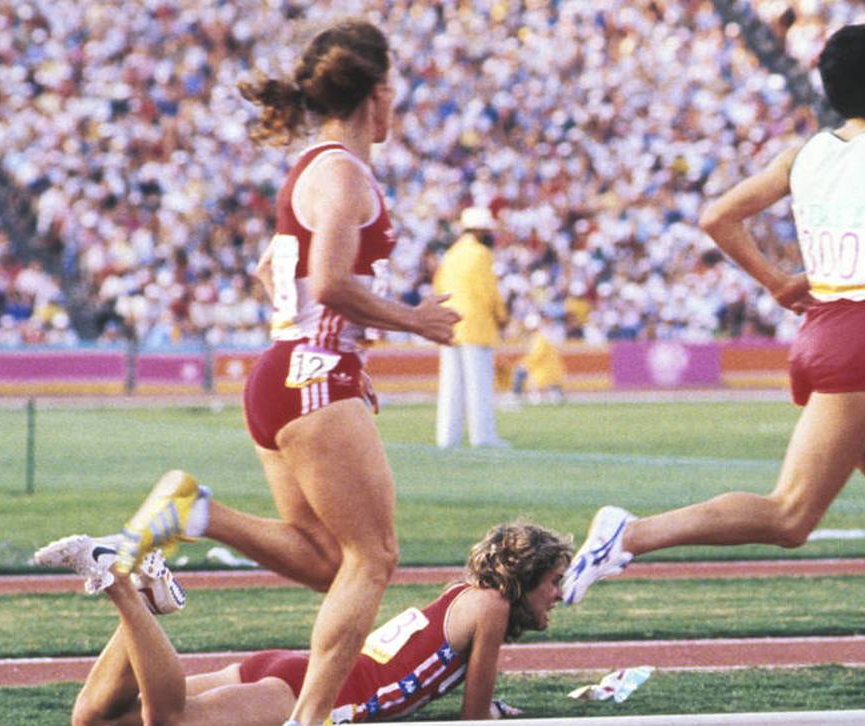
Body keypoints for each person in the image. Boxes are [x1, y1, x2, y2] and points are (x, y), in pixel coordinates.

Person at [560, 24, 865, 709]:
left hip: (826, 327)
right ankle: (630, 533)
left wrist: (777, 282)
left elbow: (718, 217)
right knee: (791, 516)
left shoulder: (807, 153)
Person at [111, 20, 460, 726]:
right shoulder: (340, 171)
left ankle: (196, 512)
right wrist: (412, 320)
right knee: (376, 559)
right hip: (314, 374)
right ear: (376, 93)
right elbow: (328, 281)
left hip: (286, 373)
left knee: (331, 561)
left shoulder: (311, 168)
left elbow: (275, 270)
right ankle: (311, 720)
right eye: (393, 88)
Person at [37, 522, 570, 725]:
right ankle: (127, 590)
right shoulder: (494, 607)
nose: (559, 595)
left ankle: (147, 599)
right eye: (553, 581)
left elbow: (428, 666)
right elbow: (471, 721)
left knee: (95, 720)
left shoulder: (466, 597)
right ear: (523, 577)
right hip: (311, 694)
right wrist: (490, 711)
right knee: (168, 723)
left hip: (296, 673)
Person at [434, 206, 510, 449]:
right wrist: (501, 315)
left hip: (451, 325)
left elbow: (439, 287)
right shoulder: (480, 254)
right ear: (478, 231)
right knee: (479, 385)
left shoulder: (451, 254)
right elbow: (489, 290)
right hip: (476, 324)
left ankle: (447, 438)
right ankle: (483, 436)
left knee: (451, 387)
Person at [506, 313, 567, 407]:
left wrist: (523, 363)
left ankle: (516, 396)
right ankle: (555, 394)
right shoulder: (540, 336)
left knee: (520, 372)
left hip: (544, 368)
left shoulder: (539, 338)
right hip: (545, 367)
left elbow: (536, 355)